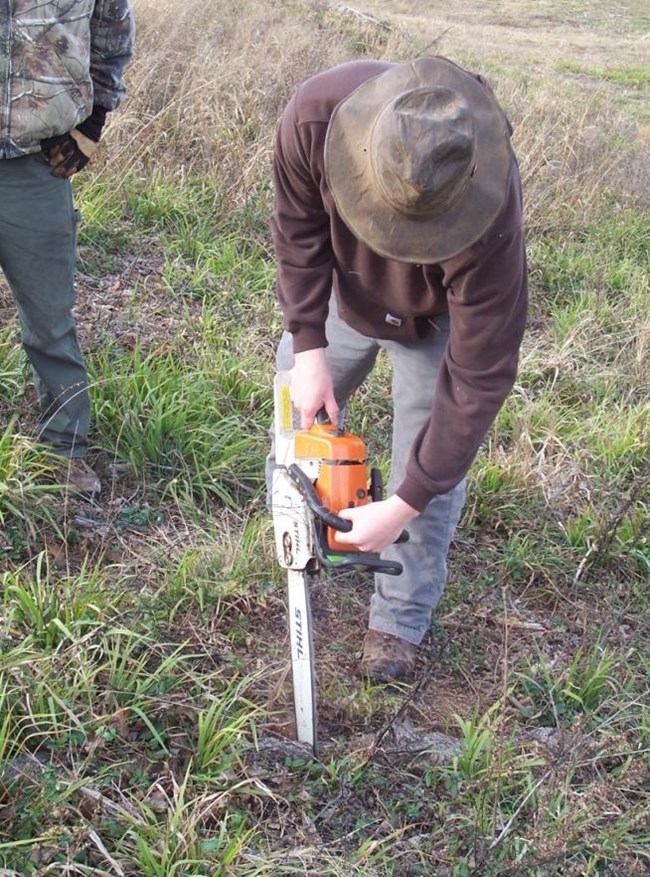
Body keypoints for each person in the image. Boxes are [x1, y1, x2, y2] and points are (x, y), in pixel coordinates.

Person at [270, 57, 528, 682]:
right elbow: (298, 230)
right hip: (342, 299)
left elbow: (478, 379)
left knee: (428, 457)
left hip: (436, 320)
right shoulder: (315, 117)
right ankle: (299, 534)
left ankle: (398, 622)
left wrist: (405, 502)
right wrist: (308, 346)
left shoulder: (489, 208)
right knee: (292, 405)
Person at [0, 0, 135, 497]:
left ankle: (64, 451)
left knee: (50, 322)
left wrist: (92, 124)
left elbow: (111, 35)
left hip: (35, 167)